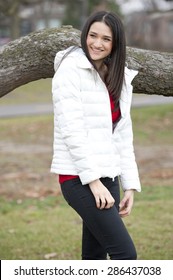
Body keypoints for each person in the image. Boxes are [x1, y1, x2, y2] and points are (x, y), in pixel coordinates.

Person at [51, 10, 141, 260]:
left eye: (106, 39)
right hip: (78, 177)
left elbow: (122, 134)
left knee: (95, 257)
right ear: (85, 35)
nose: (97, 43)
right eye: (92, 35)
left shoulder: (118, 76)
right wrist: (92, 182)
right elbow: (72, 130)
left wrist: (130, 186)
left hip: (108, 175)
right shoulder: (70, 70)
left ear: (115, 44)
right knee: (126, 255)